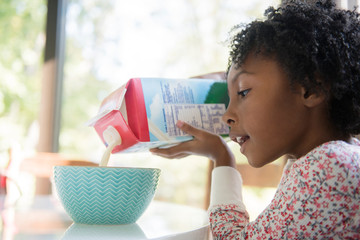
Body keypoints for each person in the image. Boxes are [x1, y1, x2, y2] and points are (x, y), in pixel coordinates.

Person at [151, 0, 360, 239]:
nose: (227, 115)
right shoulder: (337, 158)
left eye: (243, 92)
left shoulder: (328, 166)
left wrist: (222, 158)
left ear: (311, 89)